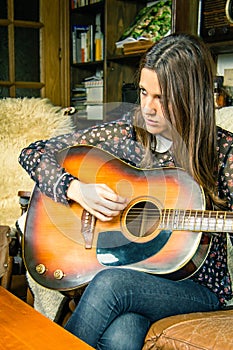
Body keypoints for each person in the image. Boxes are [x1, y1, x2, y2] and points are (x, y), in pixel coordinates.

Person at [19, 33, 233, 350]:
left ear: (192, 97)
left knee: (111, 285)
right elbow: (35, 153)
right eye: (144, 92)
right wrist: (77, 189)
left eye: (162, 98)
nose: (147, 107)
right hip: (134, 272)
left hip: (197, 287)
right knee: (122, 335)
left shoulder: (223, 152)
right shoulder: (126, 133)